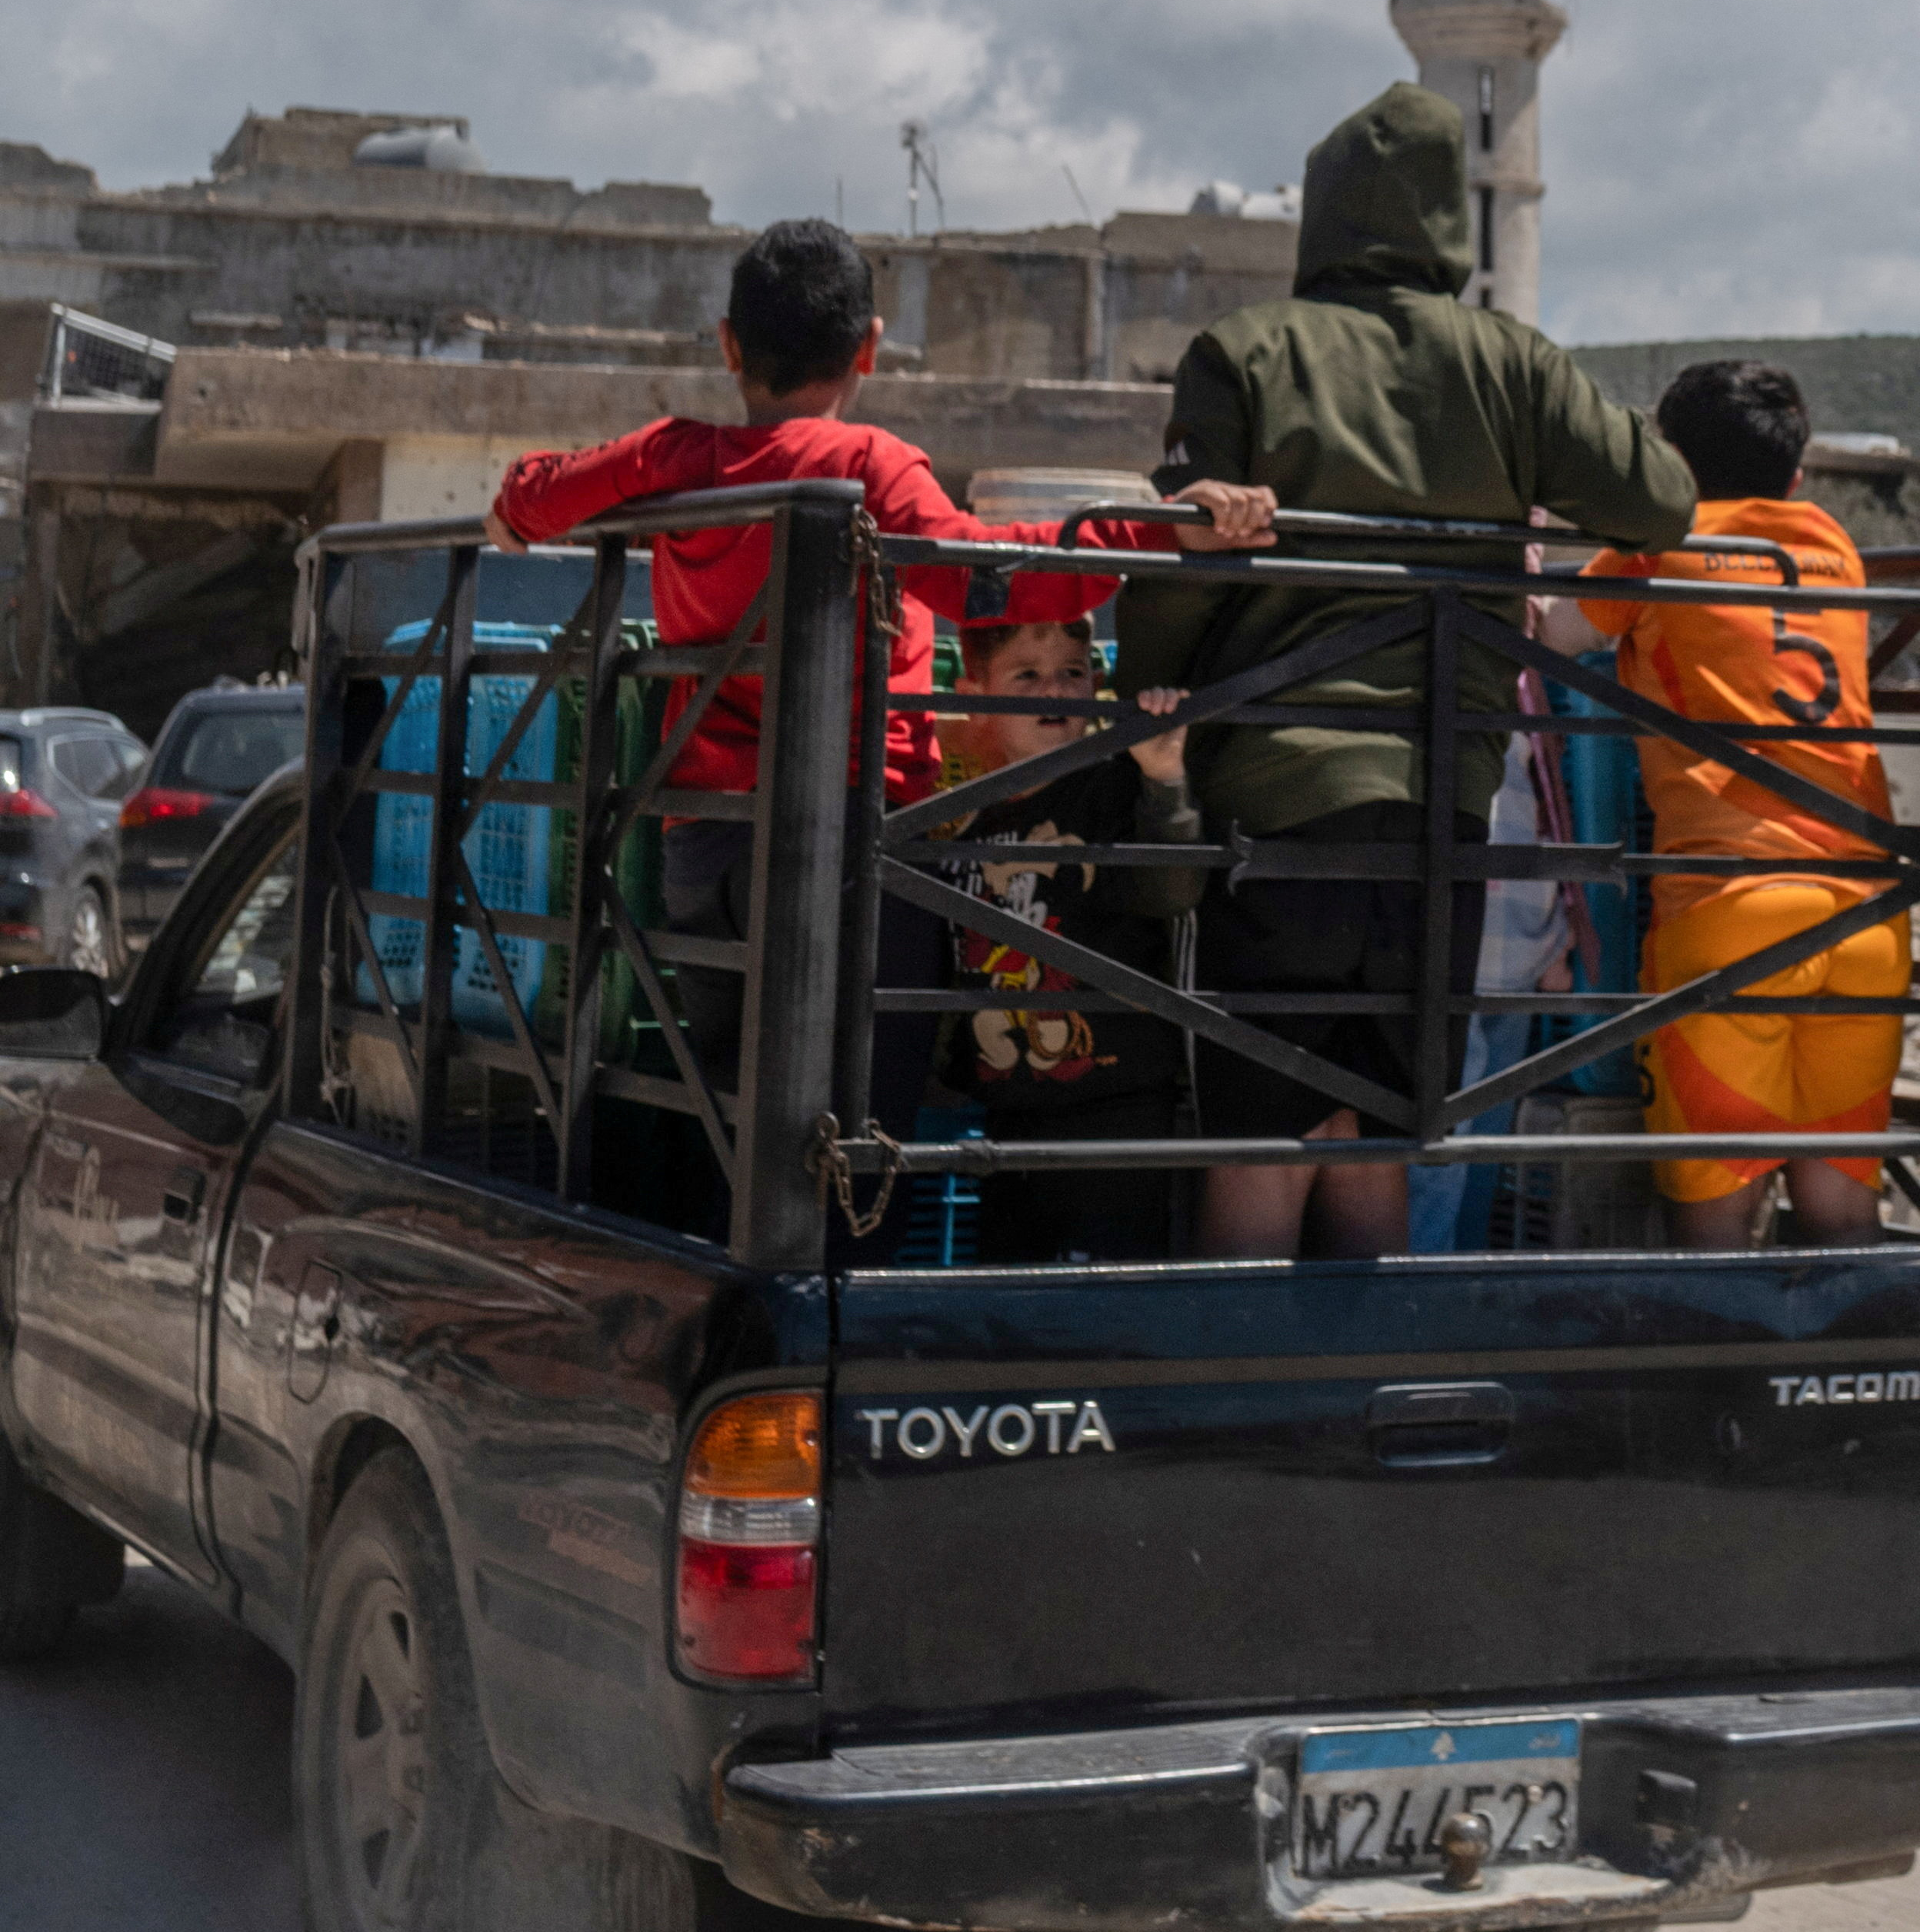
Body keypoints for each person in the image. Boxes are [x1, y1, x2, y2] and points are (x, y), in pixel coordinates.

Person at [484, 219, 1275, 1258]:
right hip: (850, 863)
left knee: (735, 1115)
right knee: (862, 1143)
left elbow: (525, 503)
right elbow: (993, 572)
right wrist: (1163, 525)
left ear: (729, 345)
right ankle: (834, 1343)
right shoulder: (869, 462)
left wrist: (557, 496)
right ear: (870, 346)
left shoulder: (676, 457)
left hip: (704, 855)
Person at [1119, 85, 1693, 1260]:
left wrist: (1145, 696)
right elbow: (1663, 502)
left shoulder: (1243, 350)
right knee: (1376, 1131)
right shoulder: (1509, 361)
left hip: (1272, 809)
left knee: (1258, 1134)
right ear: (1453, 225)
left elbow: (1185, 556)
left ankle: (1246, 1421)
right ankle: (1362, 1405)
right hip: (1444, 805)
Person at [1580, 361, 1902, 1251]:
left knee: (1714, 1223)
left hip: (1730, 906)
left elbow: (1555, 630)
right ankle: (1848, 1378)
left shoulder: (1660, 538)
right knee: (1842, 1211)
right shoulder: (1834, 545)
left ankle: (1721, 1386)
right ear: (1795, 473)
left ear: (1669, 462)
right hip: (1869, 917)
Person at [926, 616, 1204, 1264]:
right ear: (976, 697)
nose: (1053, 691)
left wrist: (1164, 776)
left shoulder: (1111, 784)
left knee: (1105, 1294)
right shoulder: (967, 813)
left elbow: (1173, 889)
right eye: (1027, 675)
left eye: (1072, 674)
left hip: (1116, 1108)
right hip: (1007, 1108)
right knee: (1008, 1284)